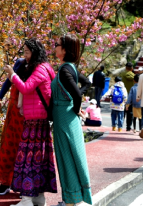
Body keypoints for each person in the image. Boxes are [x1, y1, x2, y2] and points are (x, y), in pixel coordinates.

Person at [4, 39, 57, 206]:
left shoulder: (40, 69)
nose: (25, 56)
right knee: (39, 160)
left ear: (34, 52)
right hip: (39, 121)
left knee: (27, 160)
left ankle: (26, 199)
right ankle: (39, 197)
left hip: (35, 120)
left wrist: (12, 75)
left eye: (27, 52)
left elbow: (26, 88)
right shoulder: (46, 67)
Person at [52, 34, 92, 206]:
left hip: (64, 120)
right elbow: (85, 84)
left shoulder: (65, 70)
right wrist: (74, 107)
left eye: (57, 44)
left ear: (65, 49)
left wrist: (75, 108)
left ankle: (70, 201)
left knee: (66, 159)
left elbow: (77, 94)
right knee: (72, 158)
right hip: (68, 119)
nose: (54, 46)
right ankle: (72, 199)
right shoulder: (70, 68)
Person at [0, 58, 27, 196]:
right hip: (14, 108)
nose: (26, 53)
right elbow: (8, 81)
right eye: (24, 50)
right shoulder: (20, 62)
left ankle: (23, 184)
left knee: (25, 147)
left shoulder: (38, 65)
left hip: (28, 110)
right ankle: (6, 182)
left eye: (28, 50)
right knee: (8, 145)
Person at [123, 63, 136, 132]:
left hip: (123, 96)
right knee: (130, 112)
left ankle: (120, 125)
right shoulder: (134, 77)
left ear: (126, 68)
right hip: (131, 96)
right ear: (132, 68)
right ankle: (128, 127)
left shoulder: (122, 75)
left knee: (122, 111)